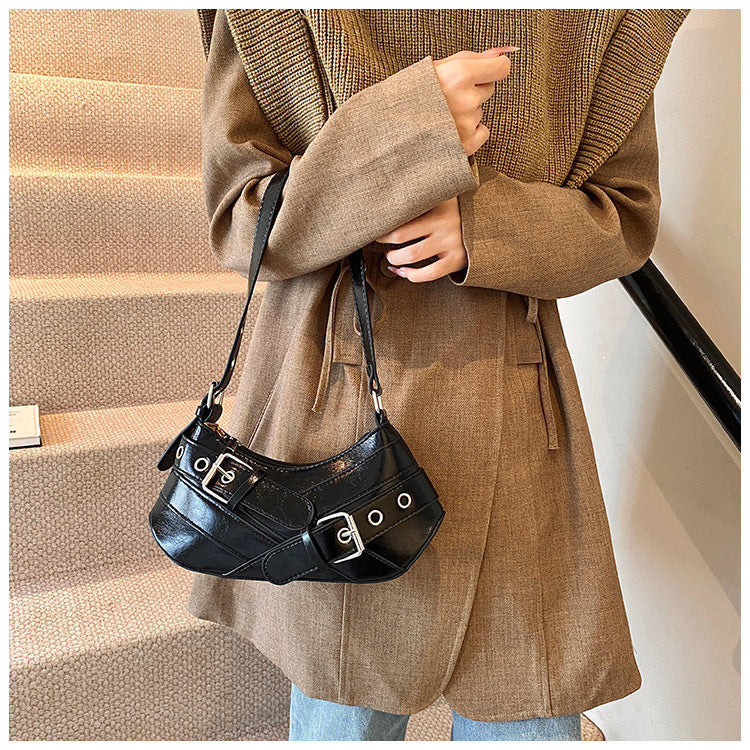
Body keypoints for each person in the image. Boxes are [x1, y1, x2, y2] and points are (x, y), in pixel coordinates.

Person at [185, 9, 690, 742]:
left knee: (533, 710)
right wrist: (407, 128)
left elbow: (625, 215)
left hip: (517, 415)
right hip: (337, 415)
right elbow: (241, 217)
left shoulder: (604, 20)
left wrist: (485, 227)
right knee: (346, 716)